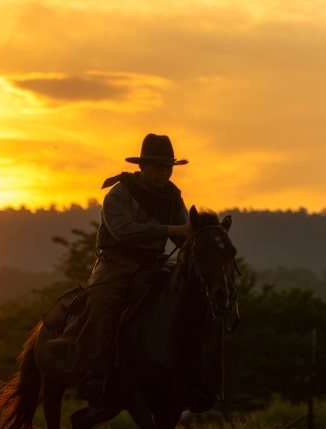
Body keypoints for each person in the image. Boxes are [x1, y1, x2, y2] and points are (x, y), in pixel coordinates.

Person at [41, 133, 222, 409]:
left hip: (152, 264)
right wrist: (171, 230)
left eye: (168, 167)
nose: (164, 172)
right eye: (158, 166)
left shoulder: (173, 196)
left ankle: (193, 379)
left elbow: (183, 233)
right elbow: (123, 232)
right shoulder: (119, 193)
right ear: (143, 166)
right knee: (101, 307)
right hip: (114, 265)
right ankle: (93, 374)